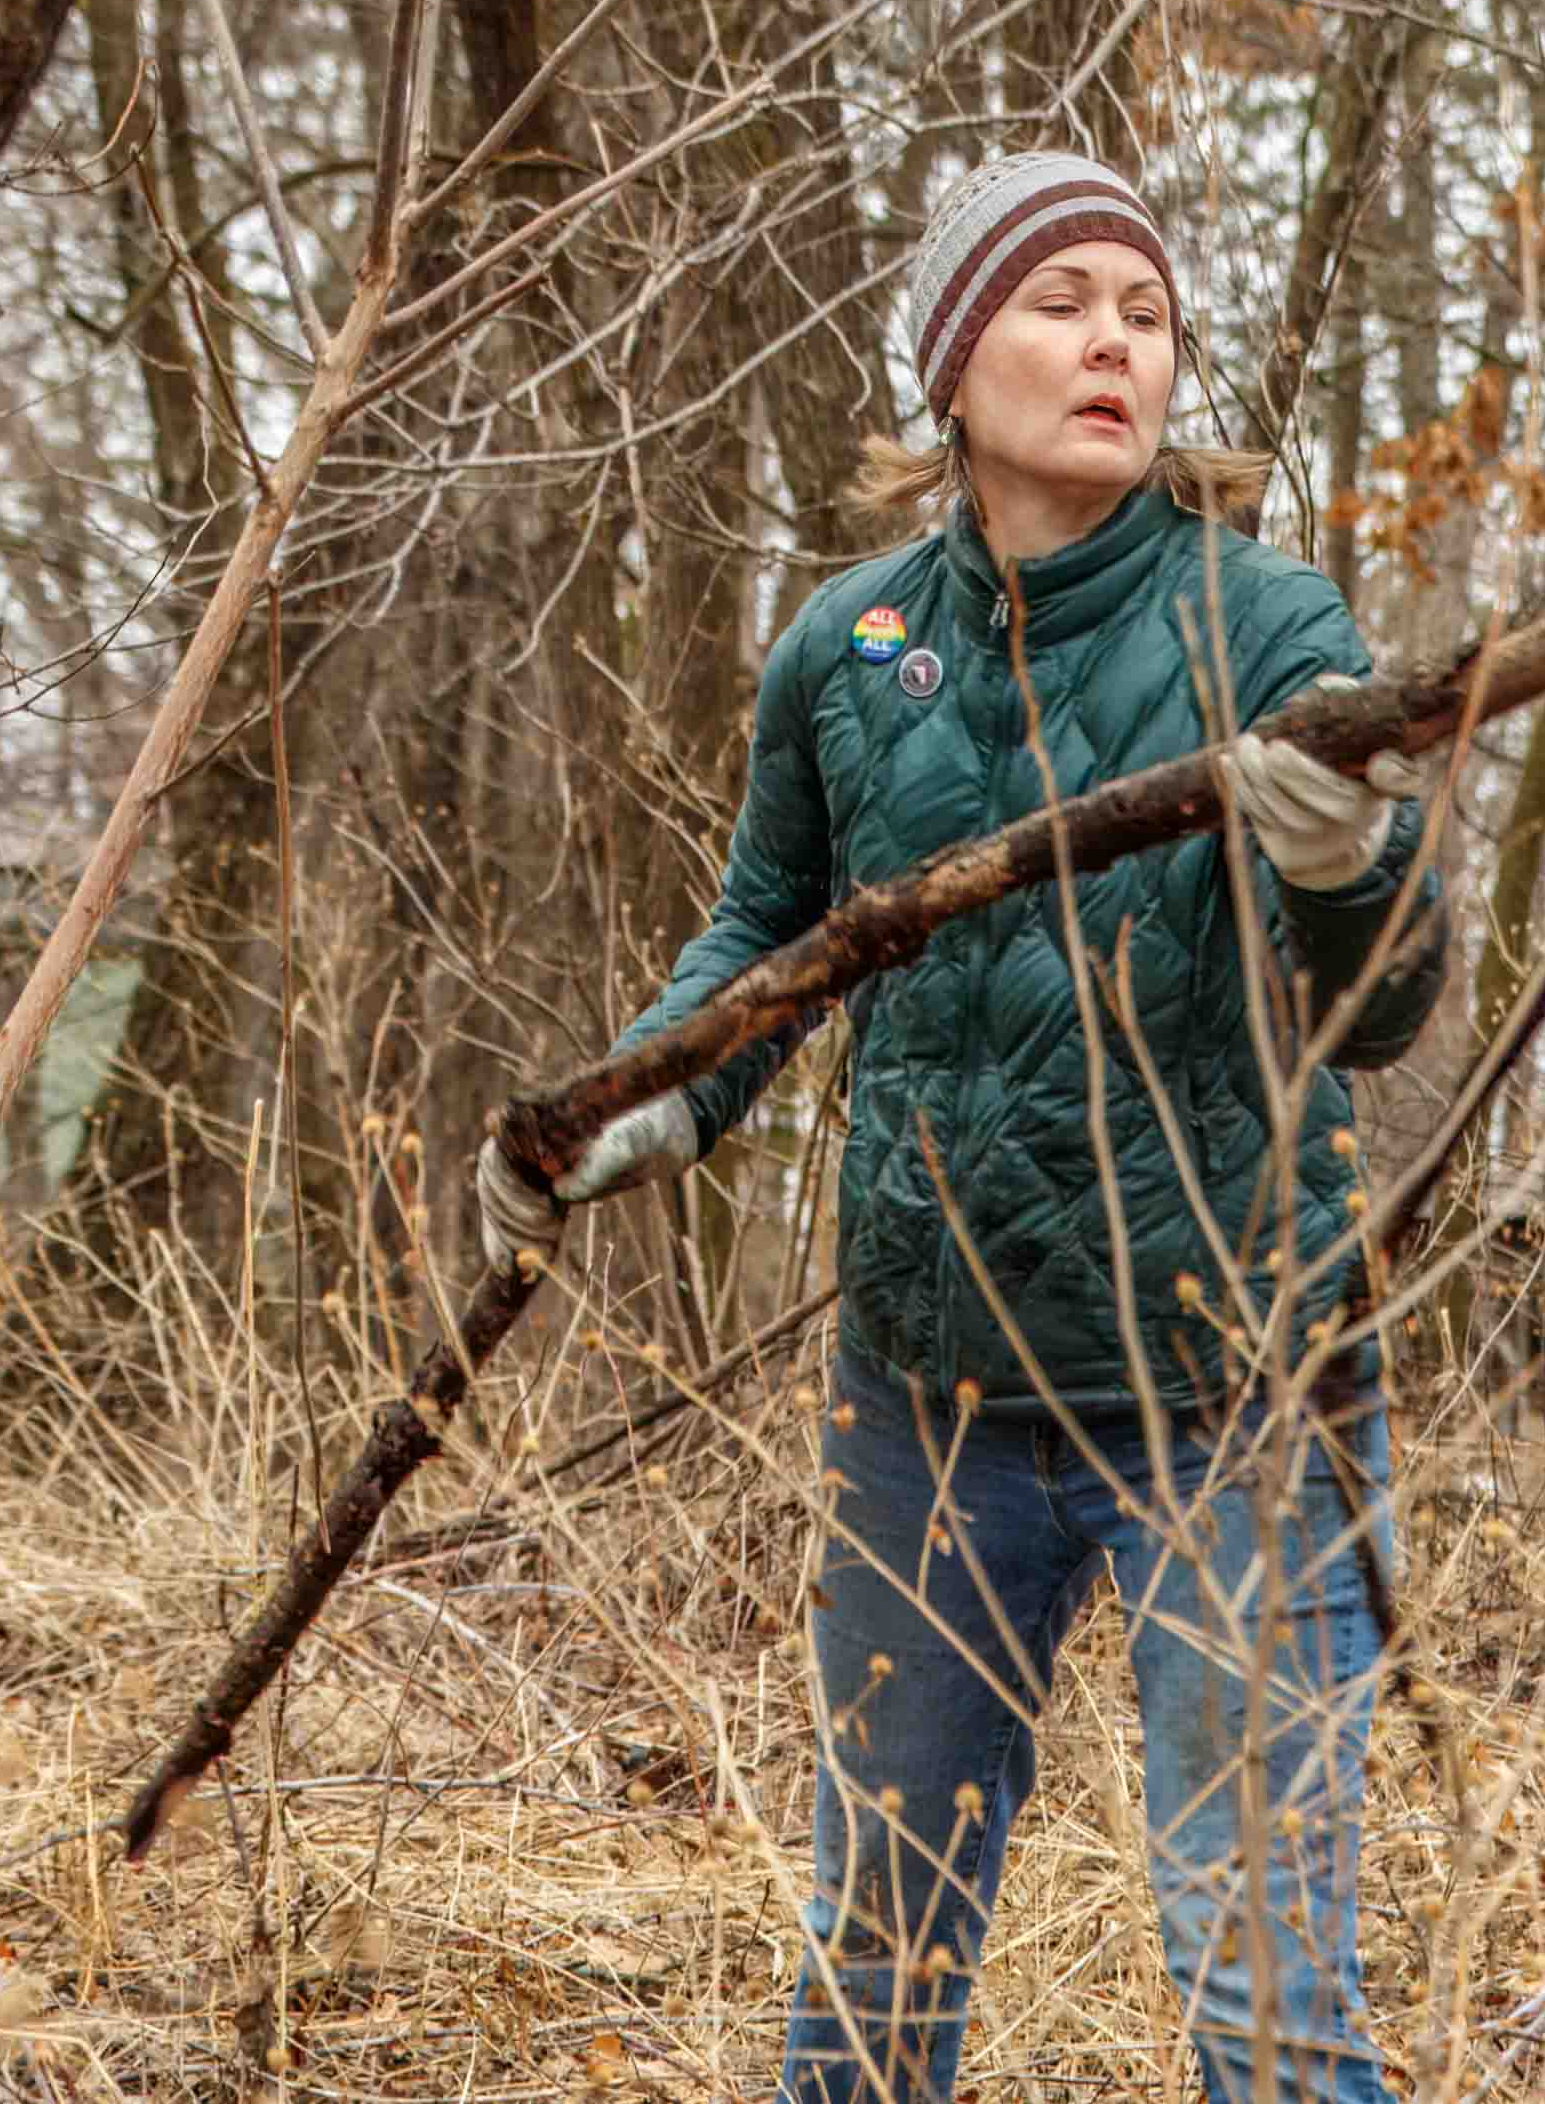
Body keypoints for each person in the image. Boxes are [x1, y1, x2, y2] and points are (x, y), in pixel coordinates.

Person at [478, 150, 1449, 2102]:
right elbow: (770, 926)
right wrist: (654, 1096)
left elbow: (1392, 995)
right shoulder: (840, 653)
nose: (1112, 342)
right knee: (873, 1975)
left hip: (1236, 1390)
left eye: (1144, 312)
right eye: (1060, 299)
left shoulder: (1262, 621)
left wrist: (1353, 860)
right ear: (948, 354)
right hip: (929, 1401)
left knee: (1264, 1997)